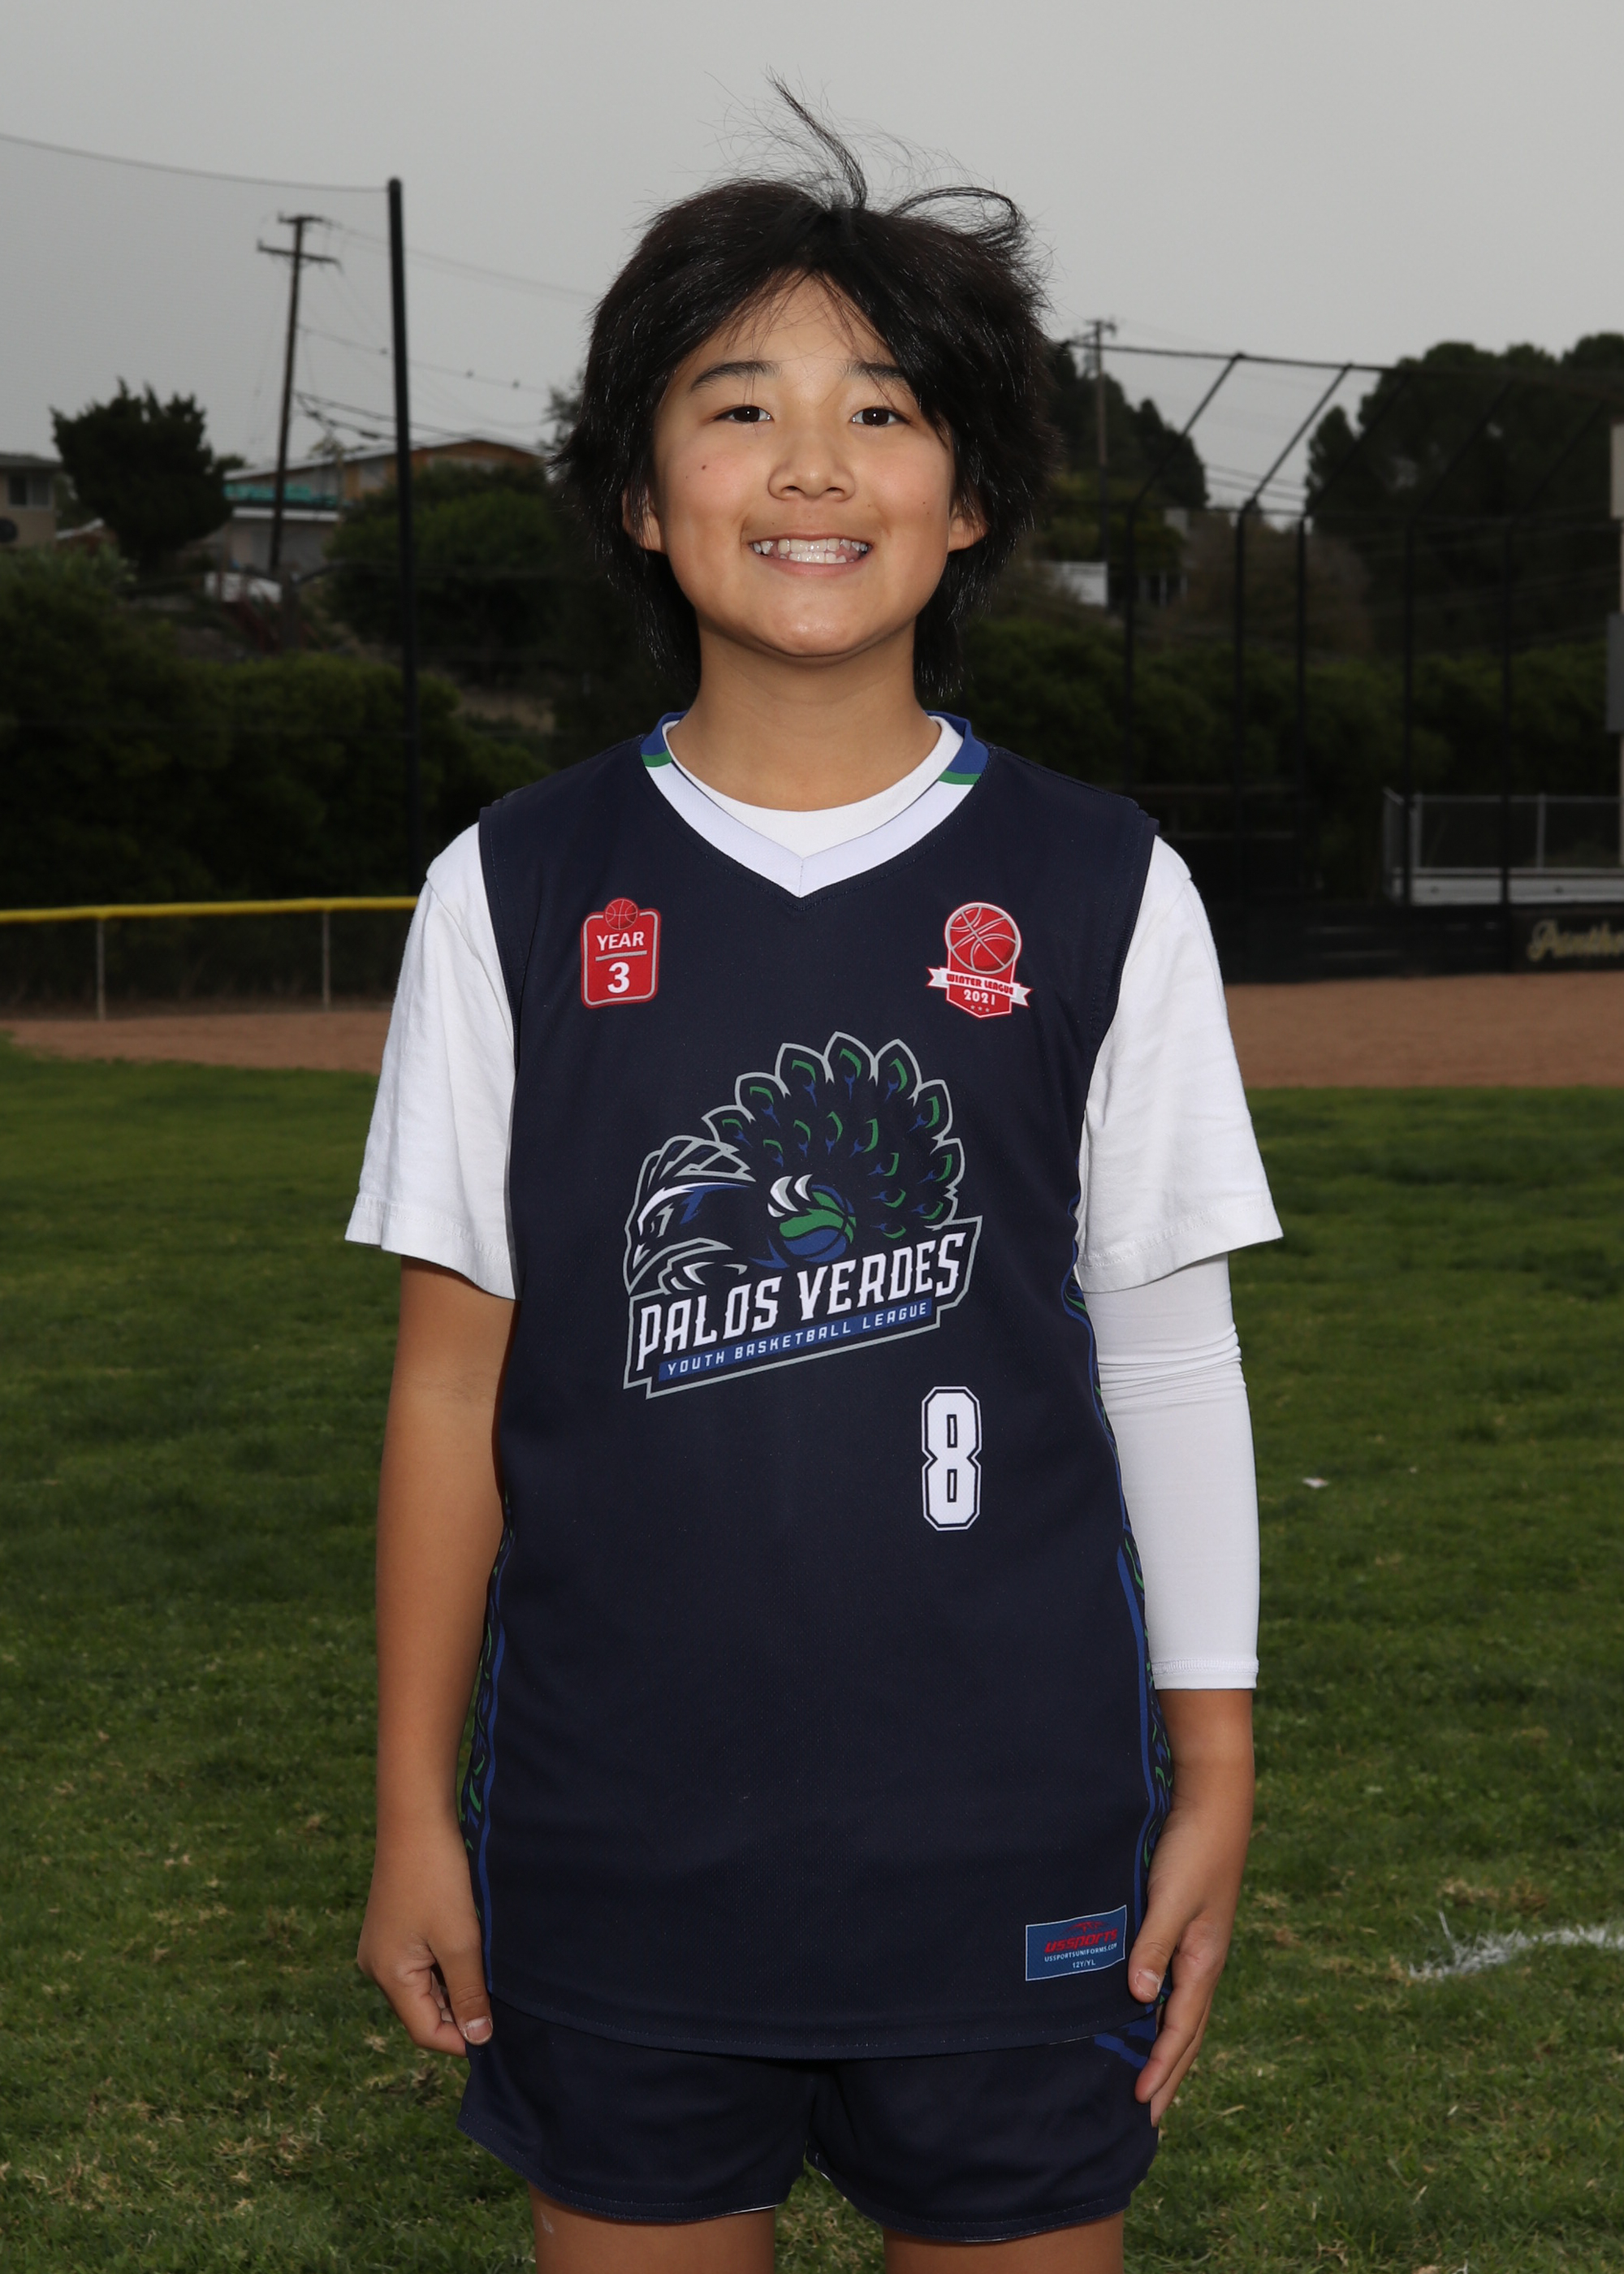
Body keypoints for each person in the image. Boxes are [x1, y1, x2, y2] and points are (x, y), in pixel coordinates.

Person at [349, 106, 1279, 2274]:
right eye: (738, 405)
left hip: (1008, 1835)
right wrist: (410, 1806)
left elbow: (1166, 1352)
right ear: (635, 489)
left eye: (882, 412)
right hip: (616, 1842)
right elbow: (449, 1385)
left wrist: (1216, 1765)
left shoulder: (1101, 883)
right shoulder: (511, 889)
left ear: (971, 498)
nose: (810, 468)